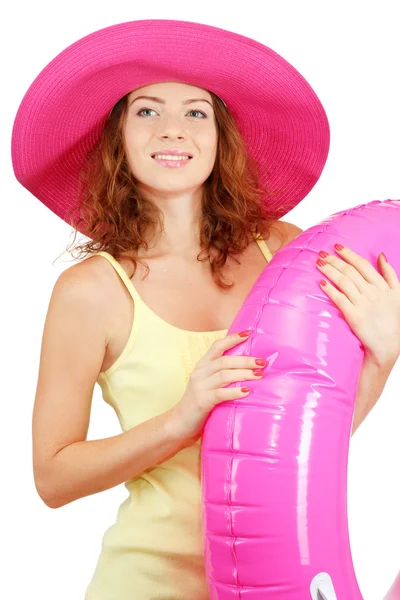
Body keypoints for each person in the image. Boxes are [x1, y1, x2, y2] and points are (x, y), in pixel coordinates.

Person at [11, 19, 329, 599]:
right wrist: (182, 420)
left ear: (220, 135)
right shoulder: (92, 291)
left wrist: (386, 348)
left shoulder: (283, 251)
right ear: (119, 137)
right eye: (148, 112)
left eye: (196, 112)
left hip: (279, 580)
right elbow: (52, 478)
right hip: (146, 583)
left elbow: (324, 429)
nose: (173, 131)